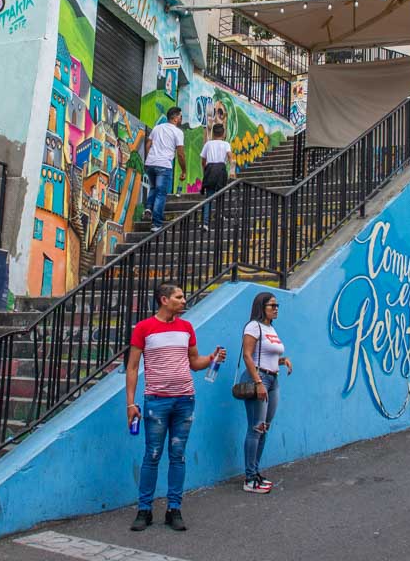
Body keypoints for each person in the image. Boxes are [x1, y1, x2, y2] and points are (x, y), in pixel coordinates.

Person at [125, 282, 225, 532]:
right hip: (156, 401)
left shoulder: (187, 327)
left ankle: (174, 509)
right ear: (163, 299)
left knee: (178, 456)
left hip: (184, 400)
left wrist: (211, 359)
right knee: (153, 455)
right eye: (178, 297)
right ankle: (144, 510)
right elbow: (133, 367)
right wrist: (130, 403)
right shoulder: (144, 328)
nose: (184, 300)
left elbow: (194, 362)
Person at [239, 291, 292, 493]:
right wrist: (258, 382)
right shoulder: (253, 326)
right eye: (272, 305)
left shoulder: (270, 328)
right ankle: (250, 478)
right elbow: (247, 355)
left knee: (264, 428)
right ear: (262, 307)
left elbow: (267, 355)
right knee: (256, 428)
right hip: (259, 379)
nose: (276, 308)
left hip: (273, 379)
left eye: (277, 305)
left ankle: (255, 472)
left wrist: (282, 360)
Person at [143, 107, 186, 232]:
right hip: (164, 165)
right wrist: (183, 170)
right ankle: (156, 224)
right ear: (175, 118)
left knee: (153, 188)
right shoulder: (178, 132)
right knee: (161, 194)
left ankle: (148, 209)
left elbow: (148, 144)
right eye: (180, 117)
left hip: (150, 163)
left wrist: (149, 158)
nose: (181, 119)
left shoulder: (157, 128)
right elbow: (181, 154)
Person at [199, 122, 232, 230]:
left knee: (209, 196)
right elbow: (230, 158)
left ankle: (205, 223)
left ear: (213, 134)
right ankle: (220, 216)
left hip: (210, 169)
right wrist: (231, 171)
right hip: (221, 169)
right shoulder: (226, 144)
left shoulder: (208, 144)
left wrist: (205, 171)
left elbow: (203, 160)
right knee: (221, 195)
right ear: (223, 134)